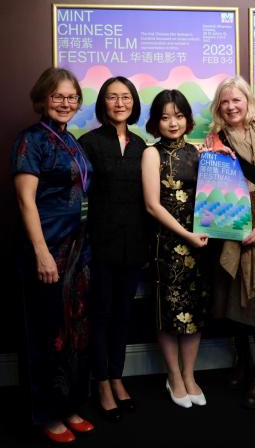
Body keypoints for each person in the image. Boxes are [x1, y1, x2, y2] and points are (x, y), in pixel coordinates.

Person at [11, 67, 94, 444]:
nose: (66, 103)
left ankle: (70, 405)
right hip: (47, 251)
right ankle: (47, 414)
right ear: (43, 99)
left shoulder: (71, 140)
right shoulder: (31, 140)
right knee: (47, 334)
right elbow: (26, 202)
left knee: (75, 332)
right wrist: (42, 252)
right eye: (58, 96)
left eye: (71, 97)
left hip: (77, 252)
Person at [205, 75, 255, 408]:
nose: (231, 106)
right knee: (231, 292)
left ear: (248, 102)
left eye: (237, 100)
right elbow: (211, 183)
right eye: (225, 101)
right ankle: (244, 362)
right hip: (228, 221)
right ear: (219, 106)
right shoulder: (214, 138)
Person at [78, 76, 149, 421]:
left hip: (134, 246)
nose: (119, 103)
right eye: (111, 97)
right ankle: (102, 381)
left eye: (125, 97)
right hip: (99, 246)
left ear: (134, 102)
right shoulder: (88, 143)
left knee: (124, 315)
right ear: (102, 103)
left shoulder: (142, 146)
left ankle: (118, 377)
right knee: (101, 315)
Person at [141, 89, 209, 409]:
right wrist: (186, 234)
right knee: (168, 312)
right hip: (167, 245)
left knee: (193, 311)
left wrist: (208, 231)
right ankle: (174, 377)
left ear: (187, 119)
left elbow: (211, 199)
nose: (173, 123)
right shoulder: (152, 154)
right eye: (165, 117)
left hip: (199, 246)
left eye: (179, 116)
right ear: (155, 122)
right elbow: (153, 206)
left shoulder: (198, 152)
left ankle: (190, 375)